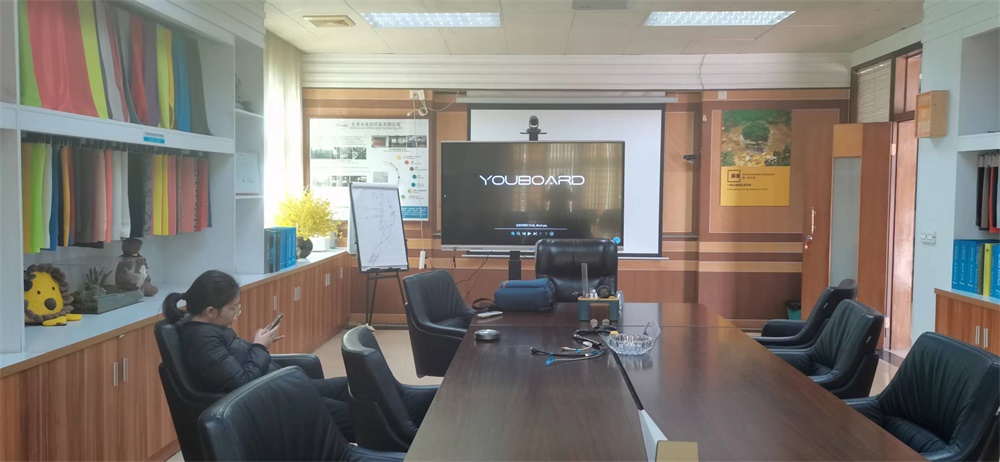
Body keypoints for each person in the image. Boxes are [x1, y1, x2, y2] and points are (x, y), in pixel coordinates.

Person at [162, 270, 355, 441]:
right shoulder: (202, 341)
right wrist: (260, 346)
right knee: (354, 416)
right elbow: (243, 382)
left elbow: (236, 364)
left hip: (278, 389)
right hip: (269, 402)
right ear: (211, 311)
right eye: (233, 308)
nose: (236, 313)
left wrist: (259, 345)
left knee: (354, 386)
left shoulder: (210, 329)